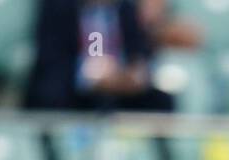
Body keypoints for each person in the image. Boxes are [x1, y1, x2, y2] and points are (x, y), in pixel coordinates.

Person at [25, 0, 174, 111]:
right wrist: (86, 73)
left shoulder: (127, 10)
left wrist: (134, 74)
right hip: (72, 89)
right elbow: (50, 58)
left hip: (121, 91)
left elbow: (141, 53)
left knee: (160, 101)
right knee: (51, 94)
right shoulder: (57, 7)